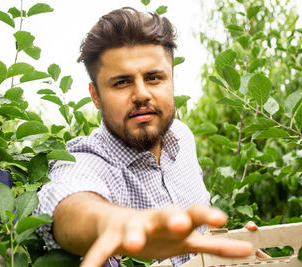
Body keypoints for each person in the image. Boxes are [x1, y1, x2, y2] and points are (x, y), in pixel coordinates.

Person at [35, 7, 256, 267]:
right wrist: (113, 222)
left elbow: (199, 236)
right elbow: (67, 201)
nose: (141, 94)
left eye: (154, 78)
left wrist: (235, 252)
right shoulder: (88, 161)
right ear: (95, 96)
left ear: (171, 81)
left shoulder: (182, 138)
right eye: (121, 82)